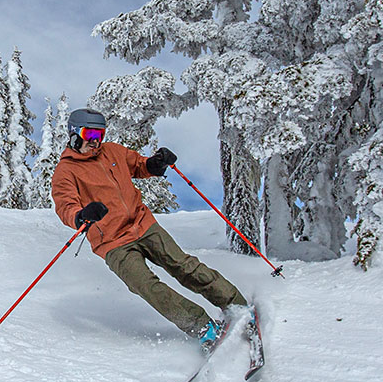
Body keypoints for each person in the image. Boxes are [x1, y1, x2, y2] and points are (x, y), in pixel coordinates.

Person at [50, 108, 248, 349]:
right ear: (74, 134)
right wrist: (81, 216)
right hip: (113, 243)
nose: (95, 141)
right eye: (90, 134)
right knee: (146, 285)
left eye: (99, 135)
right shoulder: (66, 171)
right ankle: (202, 326)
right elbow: (65, 206)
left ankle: (235, 303)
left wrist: (156, 163)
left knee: (183, 265)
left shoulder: (112, 151)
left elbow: (140, 165)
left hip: (143, 224)